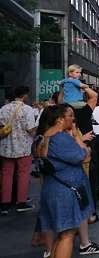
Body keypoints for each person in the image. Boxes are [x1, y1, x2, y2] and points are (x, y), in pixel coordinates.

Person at [37, 105, 99, 257]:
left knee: (61, 235)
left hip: (52, 188)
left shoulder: (43, 137)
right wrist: (77, 137)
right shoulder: (59, 138)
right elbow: (84, 155)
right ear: (60, 119)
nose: (73, 119)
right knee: (67, 235)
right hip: (65, 192)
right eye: (70, 115)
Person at [0, 86, 37, 214]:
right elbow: (30, 128)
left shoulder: (4, 108)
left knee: (6, 174)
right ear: (25, 95)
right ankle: (21, 202)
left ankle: (5, 204)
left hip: (6, 146)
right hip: (23, 147)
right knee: (23, 174)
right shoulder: (27, 109)